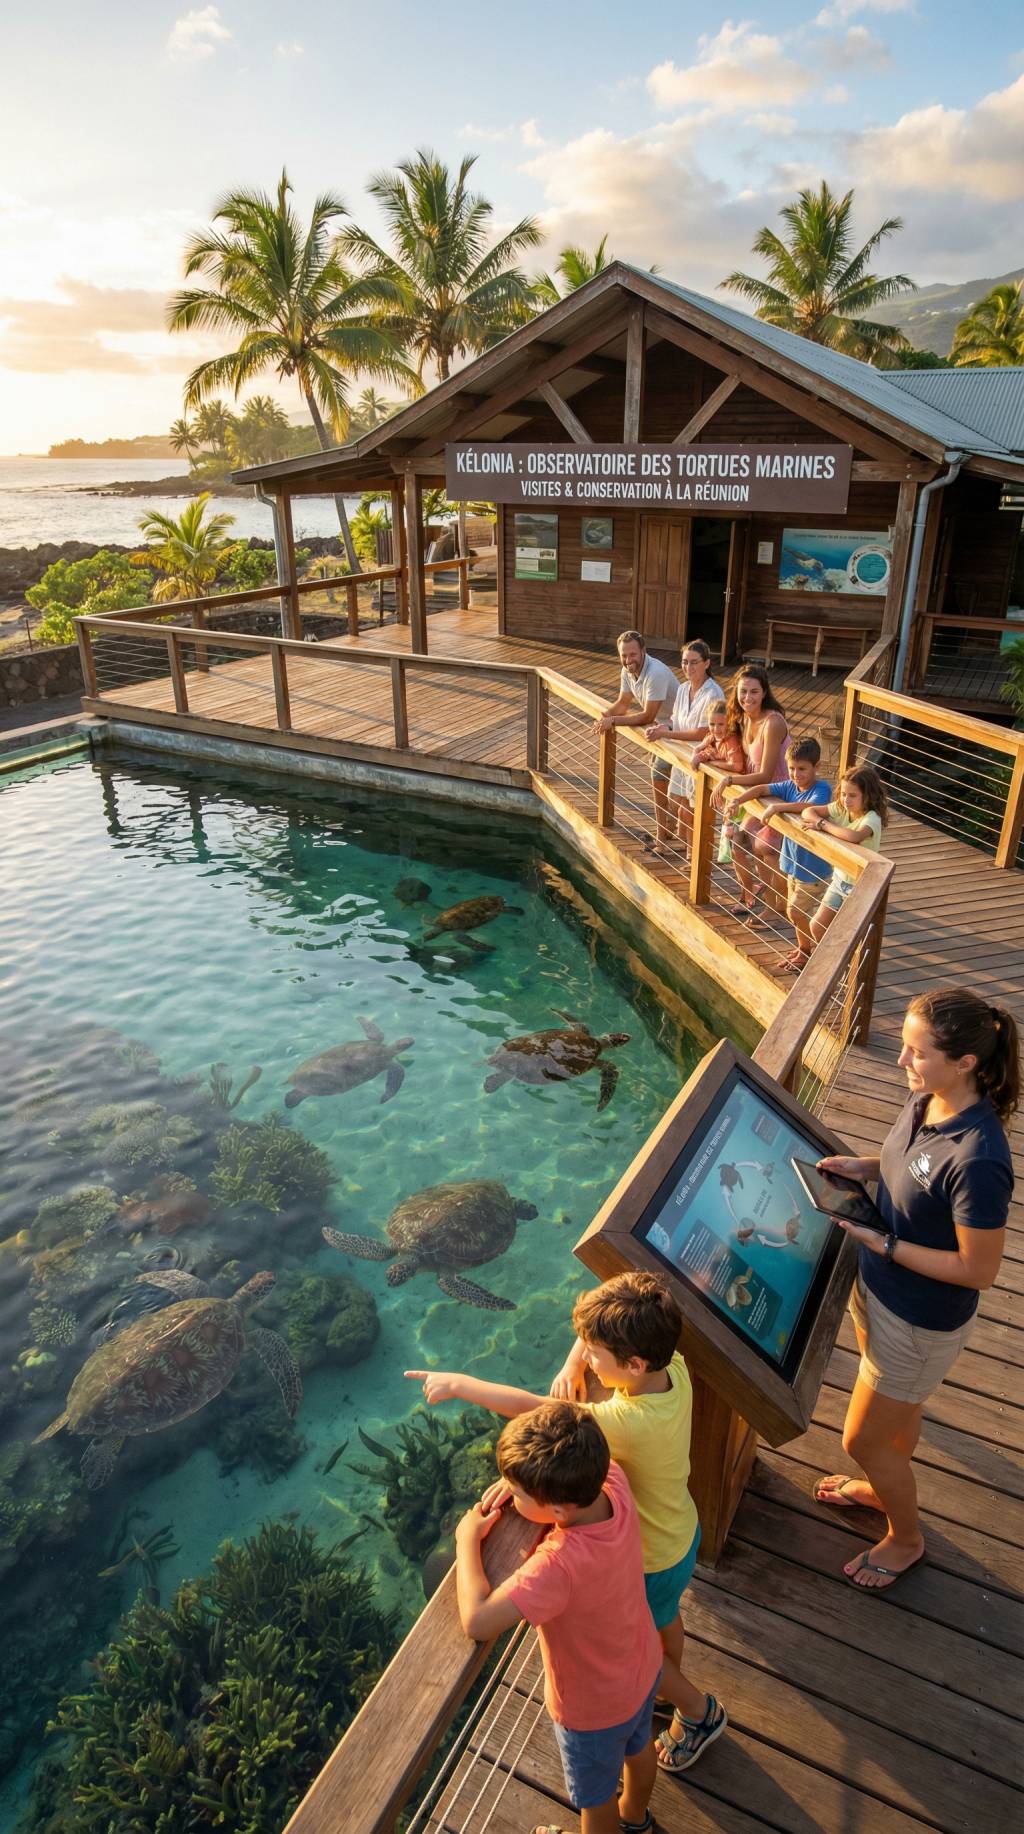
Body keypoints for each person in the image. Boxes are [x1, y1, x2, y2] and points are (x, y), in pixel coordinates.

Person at [408, 1269, 726, 1776]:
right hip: (679, 1533)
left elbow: (537, 1409)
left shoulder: (626, 1423)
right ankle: (669, 1688)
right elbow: (611, 1330)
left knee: (641, 1653)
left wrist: (461, 1384)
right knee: (663, 1622)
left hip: (651, 1558)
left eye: (594, 1353)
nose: (587, 1359)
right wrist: (576, 1358)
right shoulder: (675, 1370)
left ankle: (696, 1710)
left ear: (634, 1362)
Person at [815, 988, 1018, 1591]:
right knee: (896, 1419)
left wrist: (887, 1247)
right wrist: (868, 1167)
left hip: (918, 1318)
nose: (902, 1062)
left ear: (965, 1063)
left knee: (861, 1439)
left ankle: (906, 1538)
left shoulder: (980, 1158)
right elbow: (912, 1164)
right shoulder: (928, 1099)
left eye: (916, 1052)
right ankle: (884, 1485)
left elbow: (978, 1270)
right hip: (883, 1293)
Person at [454, 1401, 662, 1834]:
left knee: (595, 1799)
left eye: (516, 1493)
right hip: (643, 1667)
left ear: (560, 1511)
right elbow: (568, 1433)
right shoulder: (612, 1482)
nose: (511, 1496)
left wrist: (466, 1540)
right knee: (640, 1750)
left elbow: (477, 1621)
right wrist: (529, 1478)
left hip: (594, 1710)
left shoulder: (557, 1566)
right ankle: (636, 1817)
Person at [723, 738, 831, 972]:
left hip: (812, 868)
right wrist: (737, 800)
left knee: (795, 910)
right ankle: (804, 948)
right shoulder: (790, 787)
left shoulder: (822, 789)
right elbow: (762, 789)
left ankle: (808, 952)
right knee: (798, 912)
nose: (795, 774)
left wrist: (777, 807)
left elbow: (809, 809)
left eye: (802, 769)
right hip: (793, 864)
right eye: (791, 768)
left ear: (817, 767)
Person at [709, 667, 790, 921]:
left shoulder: (773, 723)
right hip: (756, 793)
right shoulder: (742, 718)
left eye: (754, 691)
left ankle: (779, 907)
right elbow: (714, 735)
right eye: (743, 691)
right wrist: (705, 752)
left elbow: (766, 774)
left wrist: (729, 780)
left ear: (764, 692)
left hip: (778, 792)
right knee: (739, 841)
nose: (748, 697)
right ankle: (758, 897)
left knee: (763, 846)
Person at [593, 630, 679, 852]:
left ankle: (662, 838)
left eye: (632, 654)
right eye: (624, 655)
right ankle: (669, 827)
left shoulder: (656, 673)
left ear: (643, 651)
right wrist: (603, 717)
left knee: (660, 777)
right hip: (659, 729)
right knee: (666, 781)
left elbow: (647, 716)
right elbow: (623, 703)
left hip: (677, 729)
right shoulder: (627, 670)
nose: (628, 660)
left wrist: (612, 721)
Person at [642, 640, 724, 856]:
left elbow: (703, 732)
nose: (689, 668)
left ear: (707, 663)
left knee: (691, 811)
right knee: (680, 807)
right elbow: (675, 719)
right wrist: (664, 726)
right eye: (685, 663)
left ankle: (694, 855)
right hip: (682, 755)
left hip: (701, 758)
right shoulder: (683, 688)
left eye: (694, 662)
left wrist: (666, 733)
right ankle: (690, 850)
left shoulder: (713, 694)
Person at [801, 763, 888, 945]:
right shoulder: (842, 807)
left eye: (853, 796)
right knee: (817, 926)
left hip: (860, 887)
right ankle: (833, 965)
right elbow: (808, 811)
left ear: (868, 796)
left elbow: (854, 837)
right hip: (840, 880)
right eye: (843, 794)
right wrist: (819, 820)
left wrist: (822, 825)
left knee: (848, 938)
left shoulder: (871, 818)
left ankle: (846, 970)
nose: (846, 800)